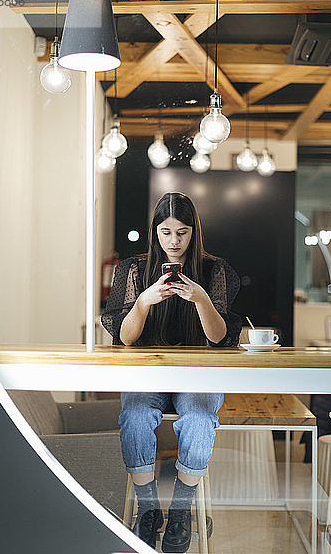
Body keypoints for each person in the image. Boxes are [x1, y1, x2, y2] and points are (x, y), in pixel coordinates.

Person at [102, 192, 241, 552]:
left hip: (198, 372)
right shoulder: (134, 269)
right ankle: (148, 509)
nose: (174, 242)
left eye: (182, 232)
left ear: (195, 232)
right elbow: (125, 338)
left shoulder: (214, 271)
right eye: (166, 232)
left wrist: (202, 300)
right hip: (149, 373)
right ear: (155, 232)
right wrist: (144, 302)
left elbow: (219, 338)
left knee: (198, 418)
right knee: (134, 415)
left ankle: (181, 509)